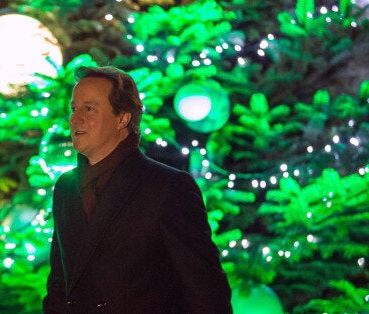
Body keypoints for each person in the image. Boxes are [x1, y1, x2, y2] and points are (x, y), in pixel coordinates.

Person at [43, 66, 232, 313]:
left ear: (122, 118)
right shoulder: (66, 187)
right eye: (74, 108)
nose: (75, 119)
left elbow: (206, 291)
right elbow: (59, 285)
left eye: (89, 108)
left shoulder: (168, 187)